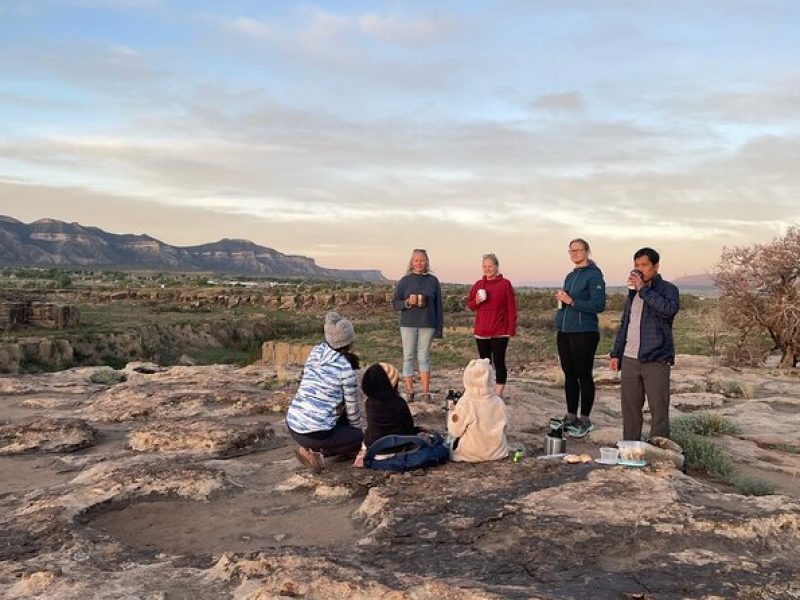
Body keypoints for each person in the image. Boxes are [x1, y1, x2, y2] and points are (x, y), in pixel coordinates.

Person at [609, 247, 680, 440]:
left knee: (659, 411)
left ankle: (659, 454)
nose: (639, 269)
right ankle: (630, 449)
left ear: (655, 266)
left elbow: (668, 310)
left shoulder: (668, 289)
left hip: (656, 359)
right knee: (631, 410)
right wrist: (616, 353)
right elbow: (626, 323)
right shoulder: (632, 294)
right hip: (630, 359)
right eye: (636, 265)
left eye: (644, 265)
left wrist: (643, 290)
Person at [286, 311, 363, 471]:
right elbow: (352, 408)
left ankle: (308, 448)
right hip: (315, 433)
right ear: (349, 341)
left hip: (293, 425)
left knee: (342, 424)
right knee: (358, 437)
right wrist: (357, 433)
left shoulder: (316, 351)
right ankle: (315, 452)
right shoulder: (344, 368)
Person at [555, 238, 606, 437]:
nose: (575, 253)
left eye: (578, 250)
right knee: (569, 374)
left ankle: (585, 418)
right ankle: (570, 415)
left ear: (587, 251)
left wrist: (572, 301)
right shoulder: (570, 275)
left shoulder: (594, 276)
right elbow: (569, 301)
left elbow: (598, 305)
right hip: (565, 331)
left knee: (583, 374)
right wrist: (562, 304)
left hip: (584, 331)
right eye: (571, 251)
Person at [392, 249, 444, 402]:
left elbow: (438, 306)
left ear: (427, 262)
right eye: (416, 260)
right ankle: (409, 392)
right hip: (408, 324)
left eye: (422, 260)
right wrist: (407, 302)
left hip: (428, 323)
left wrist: (439, 328)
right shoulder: (404, 281)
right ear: (411, 262)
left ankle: (426, 392)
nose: (419, 263)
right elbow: (395, 303)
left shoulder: (433, 281)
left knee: (423, 357)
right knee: (408, 356)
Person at [467, 253, 517, 397]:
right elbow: (470, 306)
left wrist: (511, 328)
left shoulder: (505, 284)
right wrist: (477, 301)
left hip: (500, 331)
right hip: (482, 331)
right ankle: (486, 391)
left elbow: (511, 308)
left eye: (490, 266)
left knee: (499, 362)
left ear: (496, 266)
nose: (487, 269)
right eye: (484, 266)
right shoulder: (478, 284)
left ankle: (498, 394)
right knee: (484, 364)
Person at [447, 358, 509, 462]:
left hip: (469, 454)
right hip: (498, 452)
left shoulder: (465, 403)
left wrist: (453, 411)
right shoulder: (498, 402)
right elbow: (505, 428)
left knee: (448, 442)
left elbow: (455, 431)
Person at [361, 362, 417, 447]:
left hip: (373, 446)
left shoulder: (369, 402)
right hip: (395, 447)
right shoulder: (399, 403)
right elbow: (409, 427)